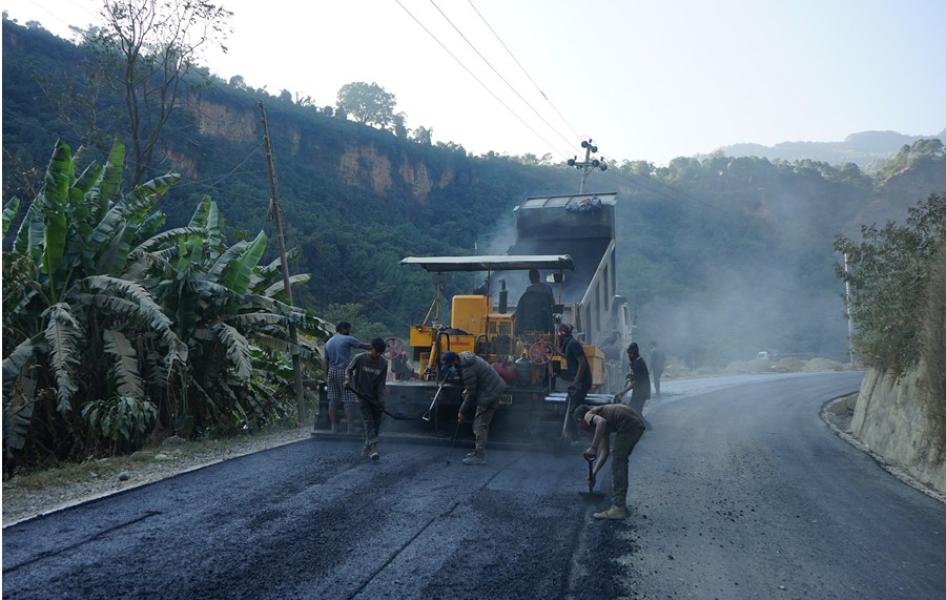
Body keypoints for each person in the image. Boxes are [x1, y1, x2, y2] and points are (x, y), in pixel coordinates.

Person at [574, 403, 647, 520]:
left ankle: (618, 508)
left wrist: (593, 447)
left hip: (628, 425)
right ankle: (620, 504)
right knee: (619, 459)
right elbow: (605, 452)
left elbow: (601, 423)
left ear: (580, 420)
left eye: (580, 425)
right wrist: (593, 474)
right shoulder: (602, 421)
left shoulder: (588, 415)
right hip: (635, 425)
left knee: (618, 463)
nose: (582, 428)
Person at [441, 351, 507, 465]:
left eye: (450, 365)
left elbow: (471, 394)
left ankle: (479, 456)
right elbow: (474, 385)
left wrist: (461, 412)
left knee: (480, 425)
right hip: (491, 389)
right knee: (479, 424)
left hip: (490, 393)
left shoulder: (467, 369)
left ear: (455, 361)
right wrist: (468, 390)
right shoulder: (466, 359)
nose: (451, 367)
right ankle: (477, 451)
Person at [345, 338, 389, 461]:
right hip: (362, 395)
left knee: (376, 423)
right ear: (371, 348)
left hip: (375, 397)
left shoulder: (383, 363)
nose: (377, 355)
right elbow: (348, 370)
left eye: (380, 353)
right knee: (368, 421)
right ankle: (373, 448)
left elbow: (381, 383)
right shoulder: (359, 358)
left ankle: (367, 446)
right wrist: (347, 380)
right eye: (376, 352)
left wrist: (380, 400)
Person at [324, 322, 371, 433]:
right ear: (343, 329)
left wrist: (326, 375)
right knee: (348, 399)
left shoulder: (328, 342)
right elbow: (364, 346)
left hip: (332, 371)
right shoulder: (347, 338)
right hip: (344, 371)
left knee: (333, 400)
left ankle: (334, 428)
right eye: (348, 328)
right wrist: (378, 346)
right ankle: (350, 428)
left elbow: (325, 360)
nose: (349, 330)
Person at [556, 323, 591, 437]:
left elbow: (582, 363)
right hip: (579, 382)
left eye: (558, 334)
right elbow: (569, 356)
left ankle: (576, 436)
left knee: (574, 410)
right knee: (570, 406)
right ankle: (573, 435)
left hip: (583, 382)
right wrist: (557, 352)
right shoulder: (569, 344)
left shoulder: (573, 344)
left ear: (561, 334)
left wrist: (576, 382)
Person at [515, 269, 555, 334]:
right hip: (544, 325)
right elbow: (553, 304)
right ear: (539, 276)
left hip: (528, 325)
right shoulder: (547, 289)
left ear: (530, 279)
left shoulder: (528, 291)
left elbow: (520, 309)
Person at [624, 343, 651, 414]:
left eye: (629, 354)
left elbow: (636, 382)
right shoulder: (638, 361)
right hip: (639, 391)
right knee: (634, 413)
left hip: (641, 392)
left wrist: (624, 392)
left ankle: (646, 425)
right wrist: (630, 376)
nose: (629, 356)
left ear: (633, 353)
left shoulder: (638, 363)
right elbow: (637, 376)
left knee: (635, 414)